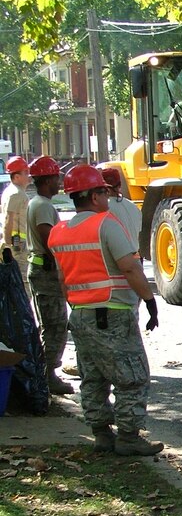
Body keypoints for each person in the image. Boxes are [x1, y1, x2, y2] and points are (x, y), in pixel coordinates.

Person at [48, 164, 163, 456]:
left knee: (93, 377)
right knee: (133, 376)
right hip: (112, 314)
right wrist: (149, 301)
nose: (108, 197)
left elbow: (63, 280)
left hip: (82, 315)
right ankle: (128, 436)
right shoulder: (105, 224)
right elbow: (130, 267)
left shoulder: (59, 233)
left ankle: (101, 434)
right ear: (95, 195)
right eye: (104, 191)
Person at [26, 156, 73, 396]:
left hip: (42, 270)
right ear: (47, 180)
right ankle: (47, 374)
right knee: (55, 325)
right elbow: (49, 240)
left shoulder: (38, 203)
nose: (59, 182)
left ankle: (47, 373)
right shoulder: (43, 206)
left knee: (53, 324)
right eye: (56, 177)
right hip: (46, 273)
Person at [1, 156, 30, 289]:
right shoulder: (17, 194)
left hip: (15, 243)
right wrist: (7, 245)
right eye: (25, 172)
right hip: (17, 244)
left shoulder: (10, 191)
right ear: (16, 176)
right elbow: (9, 218)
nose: (28, 175)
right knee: (22, 281)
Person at [99, 167, 142, 255]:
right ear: (120, 185)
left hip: (119, 259)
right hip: (136, 257)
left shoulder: (103, 208)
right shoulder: (133, 206)